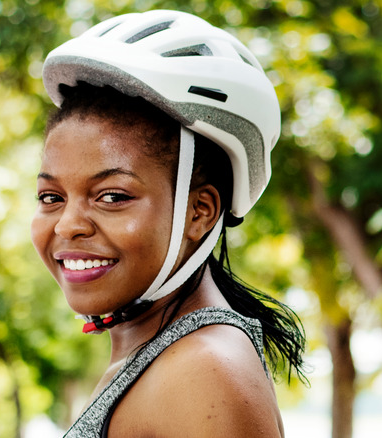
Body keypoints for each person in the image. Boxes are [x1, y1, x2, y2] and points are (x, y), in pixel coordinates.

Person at [31, 10, 306, 437]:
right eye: (52, 197)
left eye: (112, 196)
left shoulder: (202, 370)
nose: (67, 225)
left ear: (200, 212)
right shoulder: (163, 355)